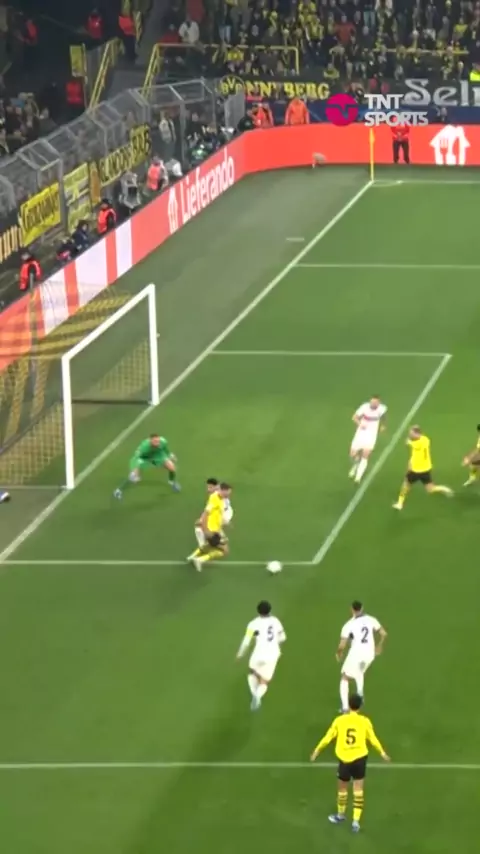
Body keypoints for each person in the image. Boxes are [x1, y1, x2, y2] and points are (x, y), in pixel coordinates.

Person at [310, 693, 390, 833]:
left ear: (349, 704)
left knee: (342, 789)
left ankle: (340, 815)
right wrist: (382, 752)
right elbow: (373, 739)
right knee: (358, 790)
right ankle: (355, 822)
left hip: (344, 759)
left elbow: (327, 737)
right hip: (360, 758)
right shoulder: (365, 721)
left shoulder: (340, 721)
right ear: (360, 706)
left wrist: (316, 751)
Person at [336, 600, 387, 712]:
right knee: (359, 671)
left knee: (345, 677)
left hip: (357, 653)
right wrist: (379, 645)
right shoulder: (371, 619)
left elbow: (342, 644)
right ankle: (360, 694)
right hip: (369, 654)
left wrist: (339, 653)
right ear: (362, 608)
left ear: (352, 609)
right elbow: (383, 633)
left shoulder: (349, 625)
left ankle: (345, 707)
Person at [236, 600, 286, 711]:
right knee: (265, 680)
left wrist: (240, 654)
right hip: (273, 654)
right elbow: (283, 638)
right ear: (270, 610)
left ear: (258, 611)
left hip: (259, 653)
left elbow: (246, 641)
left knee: (252, 672)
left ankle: (254, 694)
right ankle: (258, 696)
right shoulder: (276, 621)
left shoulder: (253, 624)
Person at [393, 425, 453, 510]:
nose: (410, 435)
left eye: (411, 433)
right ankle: (444, 489)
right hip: (426, 469)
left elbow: (413, 445)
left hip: (416, 470)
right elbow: (415, 450)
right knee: (430, 489)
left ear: (417, 434)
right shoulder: (425, 439)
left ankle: (399, 504)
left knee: (405, 486)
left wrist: (408, 442)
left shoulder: (416, 444)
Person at [113, 433, 180, 499]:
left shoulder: (163, 441)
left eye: (158, 441)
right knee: (133, 477)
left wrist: (170, 455)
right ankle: (118, 491)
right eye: (155, 441)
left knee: (172, 467)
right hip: (144, 458)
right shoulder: (144, 447)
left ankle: (172, 482)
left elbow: (166, 450)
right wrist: (135, 468)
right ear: (150, 441)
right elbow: (135, 457)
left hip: (157, 456)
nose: (157, 443)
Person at [188, 480, 232, 571]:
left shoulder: (219, 498)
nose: (229, 494)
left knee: (208, 546)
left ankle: (192, 557)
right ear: (223, 490)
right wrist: (206, 530)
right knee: (225, 550)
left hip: (216, 529)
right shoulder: (215, 499)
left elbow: (217, 514)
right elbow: (206, 513)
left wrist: (225, 522)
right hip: (211, 530)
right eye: (228, 492)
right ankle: (200, 560)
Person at [349, 396, 387, 484]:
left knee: (365, 454)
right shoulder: (364, 407)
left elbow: (384, 416)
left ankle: (358, 476)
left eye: (375, 403)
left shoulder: (381, 408)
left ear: (378, 403)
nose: (373, 404)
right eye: (372, 402)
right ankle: (355, 466)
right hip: (361, 433)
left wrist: (383, 425)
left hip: (371, 435)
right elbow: (354, 417)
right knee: (353, 454)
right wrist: (360, 424)